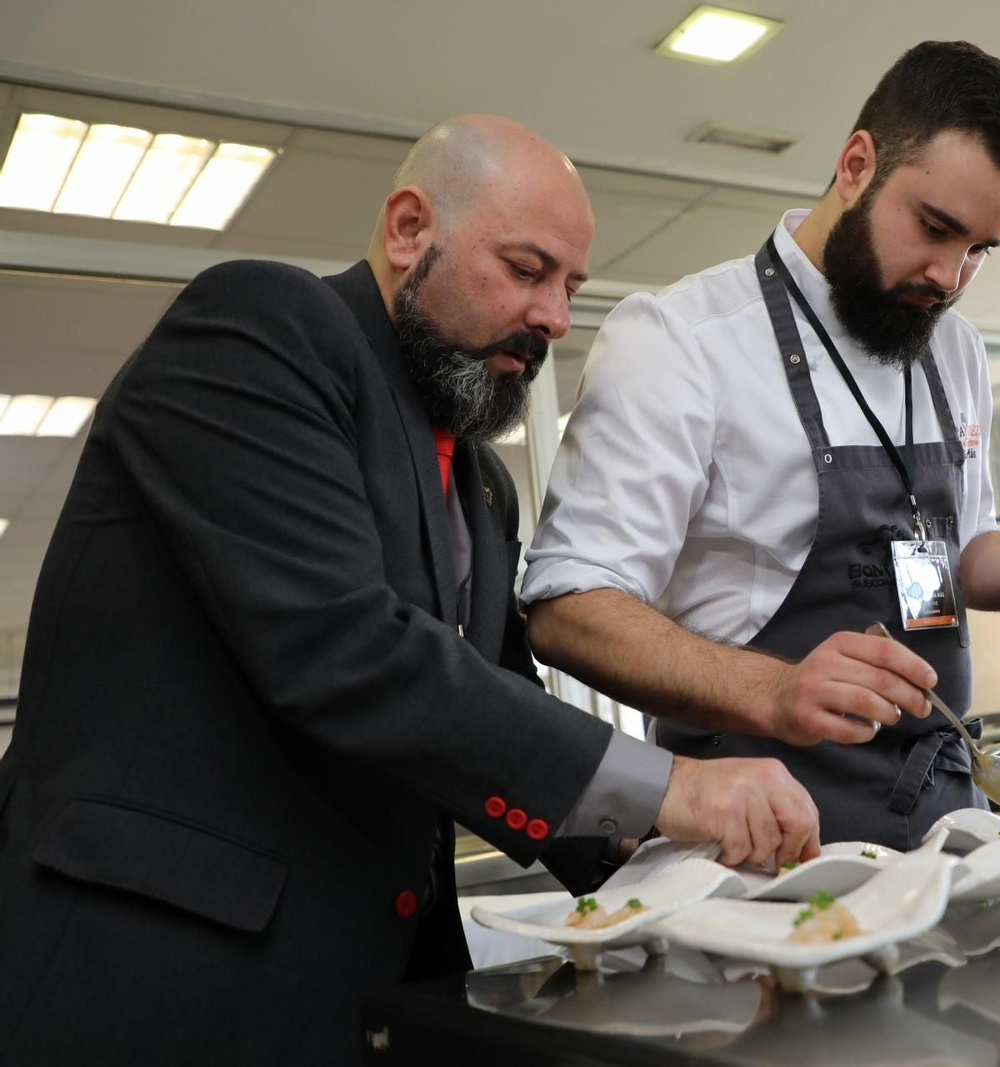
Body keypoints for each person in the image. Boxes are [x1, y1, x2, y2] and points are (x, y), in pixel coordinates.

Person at [0, 114, 818, 1067]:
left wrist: (661, 856)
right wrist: (672, 784)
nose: (555, 315)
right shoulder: (260, 329)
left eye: (570, 287)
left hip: (361, 987)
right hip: (152, 976)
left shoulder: (482, 481)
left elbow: (496, 700)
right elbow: (346, 648)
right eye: (526, 269)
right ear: (406, 229)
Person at [524, 43, 1000, 851]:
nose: (950, 276)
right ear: (856, 166)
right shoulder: (679, 341)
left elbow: (954, 548)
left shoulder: (954, 351)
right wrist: (775, 689)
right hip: (758, 853)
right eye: (935, 228)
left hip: (947, 828)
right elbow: (567, 607)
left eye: (981, 250)